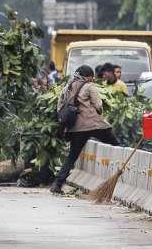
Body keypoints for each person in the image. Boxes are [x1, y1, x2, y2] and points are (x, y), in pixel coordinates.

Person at [51, 65, 120, 194]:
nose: (92, 79)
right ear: (88, 77)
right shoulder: (89, 86)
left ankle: (57, 184)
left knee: (72, 157)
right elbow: (99, 105)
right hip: (94, 125)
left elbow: (59, 107)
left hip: (75, 128)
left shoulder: (67, 87)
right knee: (116, 145)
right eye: (91, 77)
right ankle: (122, 172)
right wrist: (98, 111)